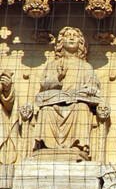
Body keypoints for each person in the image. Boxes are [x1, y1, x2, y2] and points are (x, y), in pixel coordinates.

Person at [23, 26, 108, 161]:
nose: (72, 38)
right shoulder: (53, 64)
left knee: (81, 108)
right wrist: (58, 77)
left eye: (75, 36)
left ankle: (77, 147)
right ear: (61, 42)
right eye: (68, 36)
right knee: (46, 110)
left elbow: (95, 87)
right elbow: (44, 85)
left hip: (76, 103)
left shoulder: (85, 66)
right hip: (55, 102)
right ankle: (46, 147)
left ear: (81, 43)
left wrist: (90, 89)